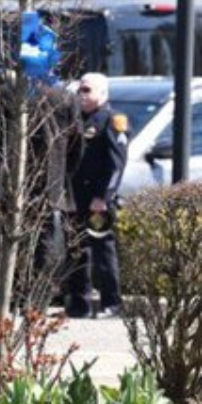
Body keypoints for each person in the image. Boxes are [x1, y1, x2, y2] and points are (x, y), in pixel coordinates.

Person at [64, 72, 127, 318]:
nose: (82, 95)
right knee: (77, 251)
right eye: (80, 90)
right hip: (75, 197)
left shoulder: (112, 121)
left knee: (103, 252)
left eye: (88, 90)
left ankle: (112, 303)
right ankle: (79, 304)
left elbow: (116, 165)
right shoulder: (77, 120)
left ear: (102, 94)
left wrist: (104, 196)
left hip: (97, 200)